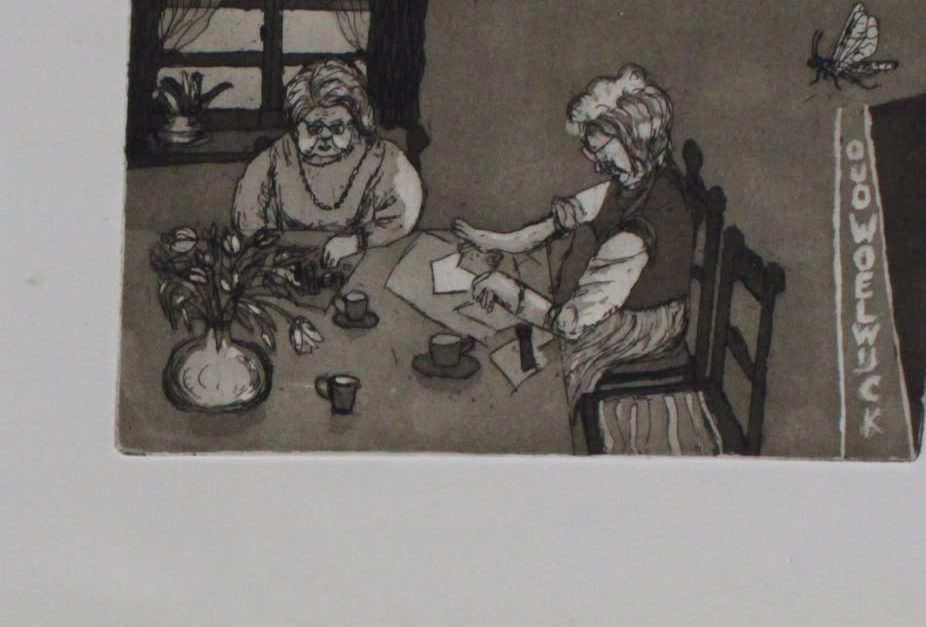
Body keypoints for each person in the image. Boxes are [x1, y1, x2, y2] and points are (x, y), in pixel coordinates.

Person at [452, 68, 699, 436]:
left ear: (636, 140)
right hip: (607, 302)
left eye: (604, 156)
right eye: (594, 154)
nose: (597, 166)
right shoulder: (636, 178)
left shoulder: (639, 230)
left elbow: (569, 323)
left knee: (537, 379)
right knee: (516, 345)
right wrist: (490, 241)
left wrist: (508, 290)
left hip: (641, 324)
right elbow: (551, 226)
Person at [233, 61, 424, 278]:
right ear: (296, 126)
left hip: (364, 267)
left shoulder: (383, 158)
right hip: (289, 269)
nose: (324, 137)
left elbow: (404, 215)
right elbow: (247, 217)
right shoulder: (275, 157)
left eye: (336, 127)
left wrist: (358, 241)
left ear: (355, 122)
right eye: (313, 128)